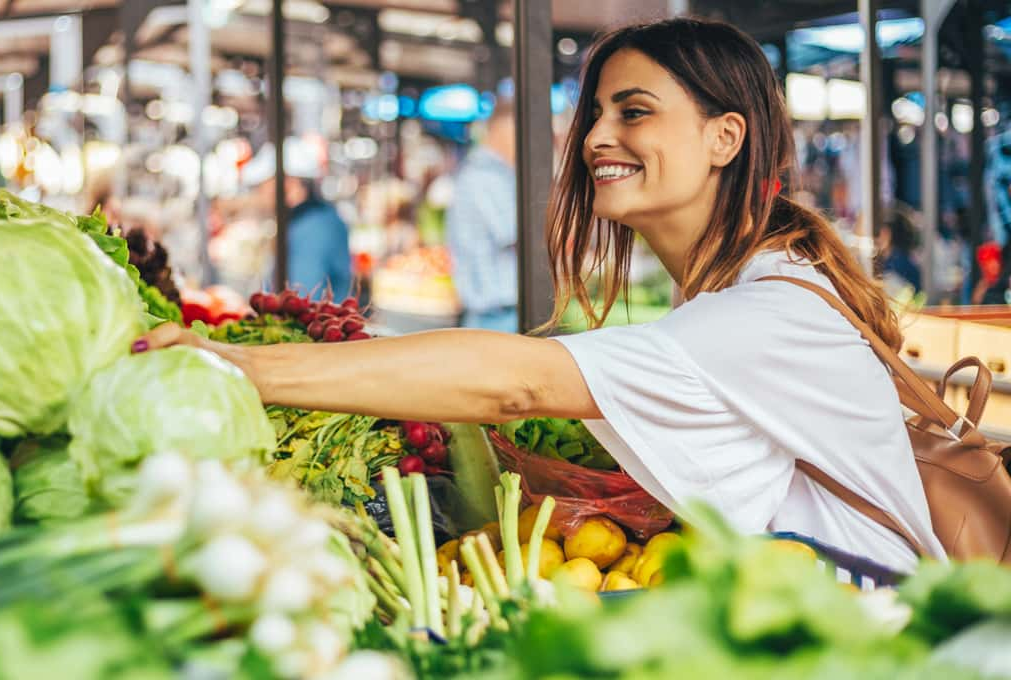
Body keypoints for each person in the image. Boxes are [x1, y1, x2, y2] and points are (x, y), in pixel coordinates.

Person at [134, 18, 943, 572]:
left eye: (634, 112)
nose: (594, 138)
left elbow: (516, 381)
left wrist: (235, 364)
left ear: (723, 138)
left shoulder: (767, 310)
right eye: (593, 113)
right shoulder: (754, 288)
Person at [242, 138, 352, 300]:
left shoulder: (314, 228)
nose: (260, 194)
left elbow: (300, 299)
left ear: (287, 183)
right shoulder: (307, 221)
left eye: (262, 185)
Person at [446, 99, 518, 332]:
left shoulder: (485, 173)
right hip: (496, 318)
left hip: (494, 316)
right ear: (506, 129)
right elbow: (519, 234)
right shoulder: (486, 176)